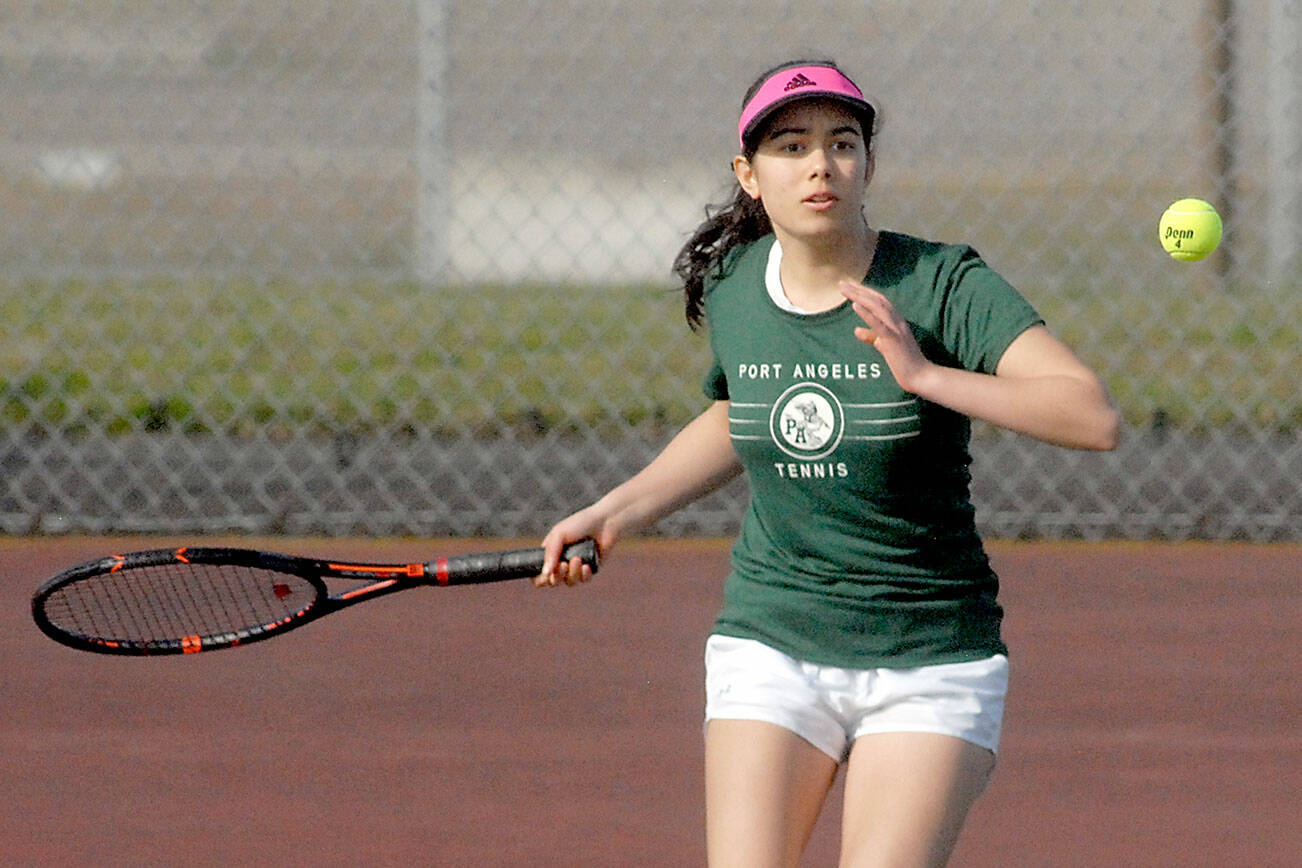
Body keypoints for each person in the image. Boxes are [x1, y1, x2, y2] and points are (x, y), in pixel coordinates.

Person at [535, 59, 1120, 867]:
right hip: (774, 637)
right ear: (749, 175)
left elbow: (1089, 415)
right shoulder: (738, 285)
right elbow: (742, 411)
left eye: (842, 142)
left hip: (929, 653)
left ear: (868, 165)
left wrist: (924, 375)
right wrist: (618, 511)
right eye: (791, 145)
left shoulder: (941, 282)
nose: (820, 164)